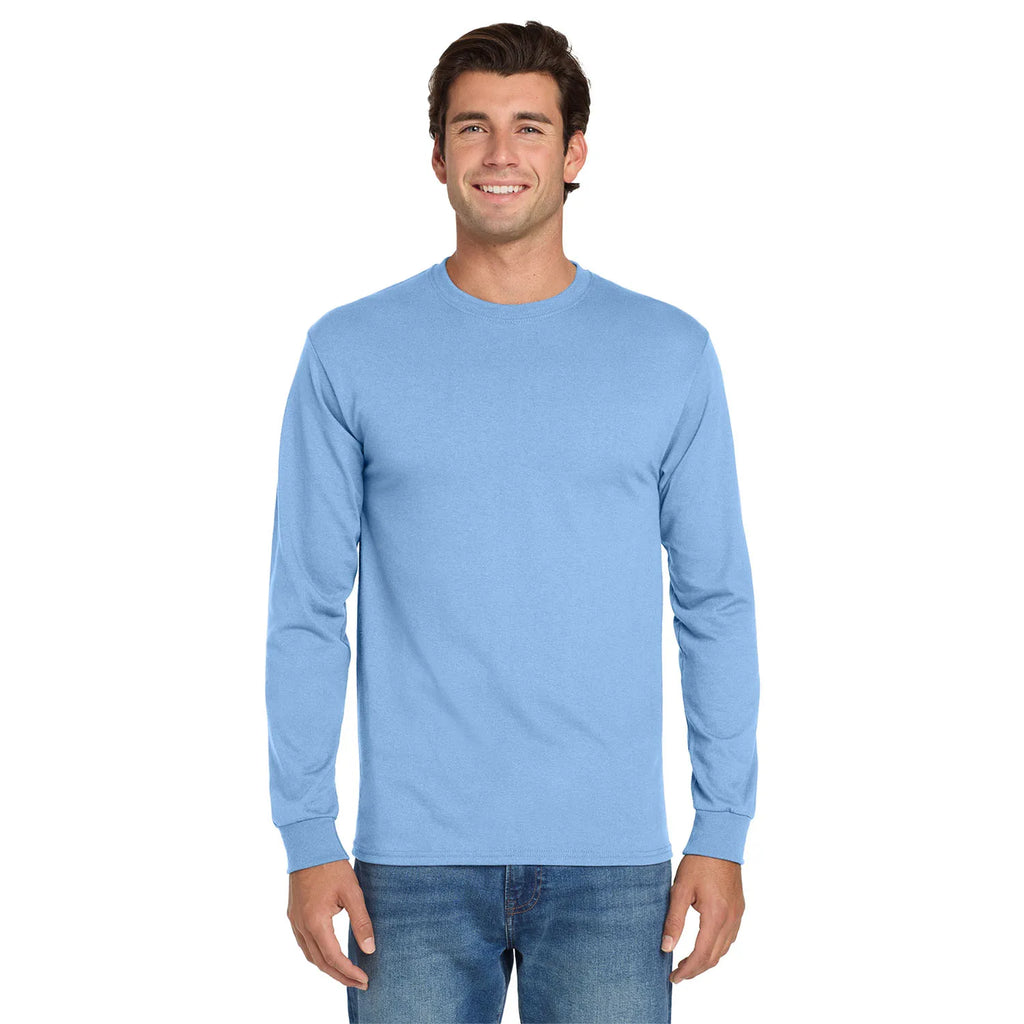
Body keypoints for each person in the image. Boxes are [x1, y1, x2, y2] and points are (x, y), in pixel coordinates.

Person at [265, 20, 760, 1024]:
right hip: (406, 869)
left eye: (529, 127)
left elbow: (714, 602)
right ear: (437, 156)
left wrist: (722, 827)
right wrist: (308, 834)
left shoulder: (668, 352)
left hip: (614, 866)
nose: (500, 153)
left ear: (574, 153)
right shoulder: (348, 352)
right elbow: (307, 607)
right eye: (473, 127)